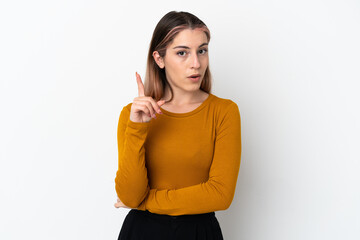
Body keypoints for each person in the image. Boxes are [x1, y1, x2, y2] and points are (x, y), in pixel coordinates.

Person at [114, 10, 241, 240]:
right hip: (142, 233)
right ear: (159, 59)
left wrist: (147, 202)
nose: (196, 63)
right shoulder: (133, 115)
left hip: (199, 233)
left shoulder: (224, 112)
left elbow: (220, 194)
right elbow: (131, 196)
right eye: (182, 52)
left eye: (202, 51)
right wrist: (137, 128)